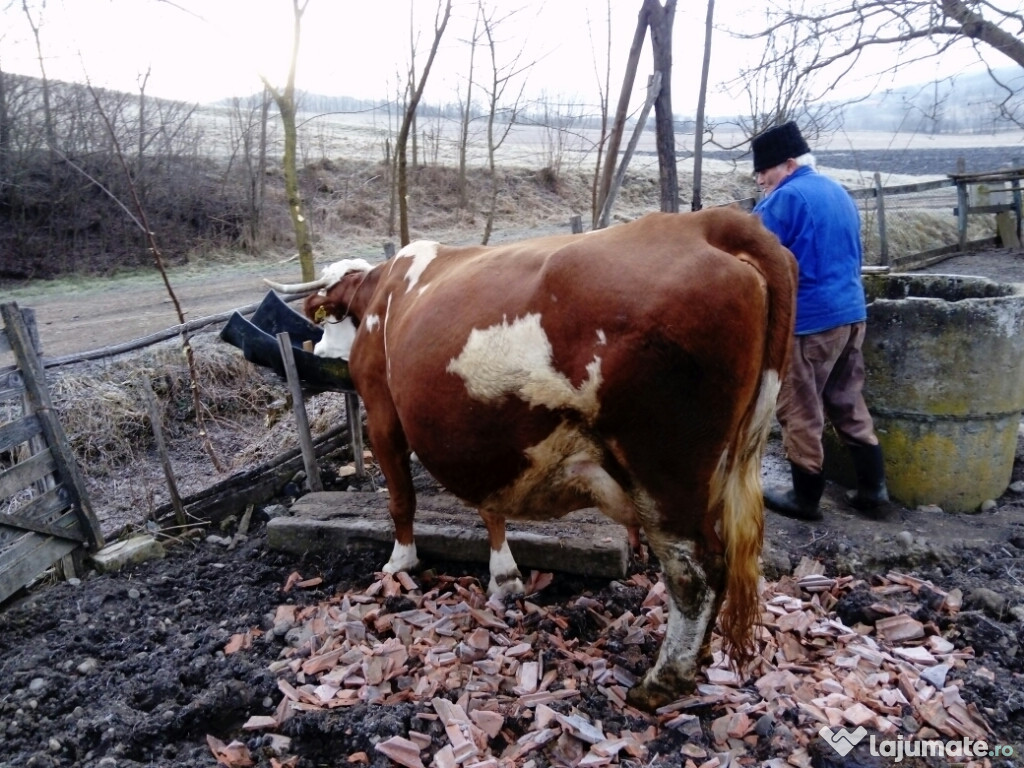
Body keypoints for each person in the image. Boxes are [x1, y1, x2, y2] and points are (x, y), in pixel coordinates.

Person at [751, 121, 888, 521]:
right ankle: (873, 489)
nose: (761, 180)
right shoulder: (837, 192)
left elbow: (753, 254)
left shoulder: (786, 198)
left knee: (799, 408)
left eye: (765, 170)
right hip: (851, 313)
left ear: (789, 163)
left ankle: (805, 497)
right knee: (847, 399)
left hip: (809, 321)